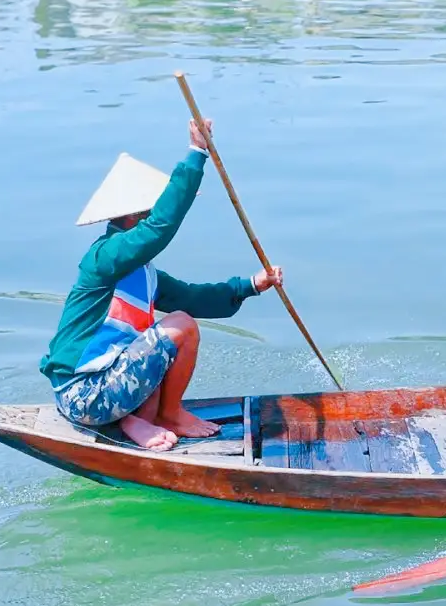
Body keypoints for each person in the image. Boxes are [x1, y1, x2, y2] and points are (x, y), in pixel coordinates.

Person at [40, 121, 284, 451]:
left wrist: (252, 285)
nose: (154, 213)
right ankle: (168, 415)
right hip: (84, 395)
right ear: (133, 216)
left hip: (109, 389)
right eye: (149, 209)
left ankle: (132, 419)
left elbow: (194, 297)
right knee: (181, 326)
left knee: (165, 329)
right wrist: (197, 153)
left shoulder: (143, 272)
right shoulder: (105, 256)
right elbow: (161, 227)